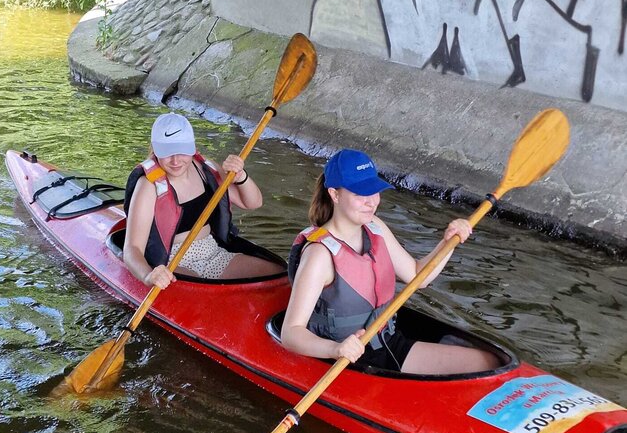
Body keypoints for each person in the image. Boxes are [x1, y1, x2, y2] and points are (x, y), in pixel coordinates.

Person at [281, 149, 500, 375]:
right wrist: (335, 349)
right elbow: (291, 333)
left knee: (487, 362)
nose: (371, 202)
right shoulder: (319, 254)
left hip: (387, 342)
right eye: (360, 194)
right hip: (343, 361)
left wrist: (448, 242)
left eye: (374, 191)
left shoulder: (374, 227)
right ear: (335, 195)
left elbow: (417, 276)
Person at [123, 112, 284, 286]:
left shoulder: (205, 168)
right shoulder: (148, 186)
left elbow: (253, 203)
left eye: (181, 151)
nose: (175, 161)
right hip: (171, 263)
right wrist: (148, 276)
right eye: (167, 152)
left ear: (192, 147)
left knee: (278, 274)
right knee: (207, 292)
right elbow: (132, 249)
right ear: (156, 150)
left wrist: (241, 176)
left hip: (213, 252)